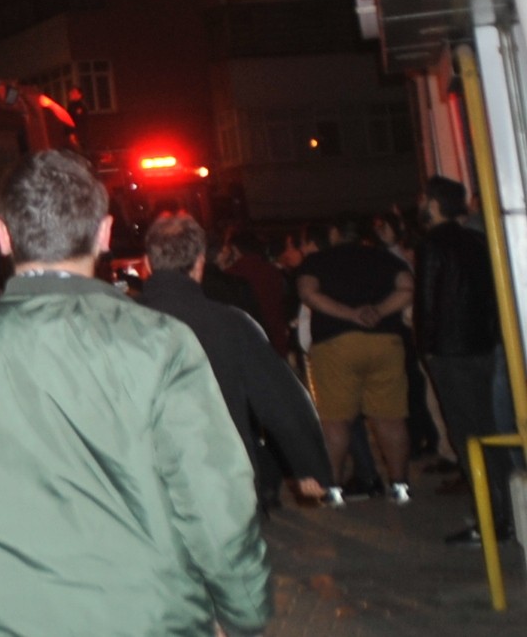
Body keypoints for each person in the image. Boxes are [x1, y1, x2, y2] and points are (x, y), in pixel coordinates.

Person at [0, 151, 269, 637]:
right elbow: (216, 504)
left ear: (1, 236)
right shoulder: (161, 343)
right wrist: (244, 613)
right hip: (151, 620)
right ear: (105, 233)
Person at [140, 213, 332, 510]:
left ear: (148, 263)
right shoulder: (230, 324)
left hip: (143, 482)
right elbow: (280, 399)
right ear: (200, 263)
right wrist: (309, 466)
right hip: (220, 478)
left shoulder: (118, 324)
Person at [415, 176, 513, 545]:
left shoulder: (432, 245)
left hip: (448, 351)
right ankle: (502, 512)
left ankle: (493, 520)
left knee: (467, 434)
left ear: (433, 203)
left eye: (423, 198)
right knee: (487, 429)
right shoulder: (477, 240)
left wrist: (426, 347)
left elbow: (427, 301)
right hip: (482, 347)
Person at [297, 215, 415, 503]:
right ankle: (400, 486)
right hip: (386, 341)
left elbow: (308, 293)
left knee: (336, 420)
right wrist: (378, 311)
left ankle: (333, 489)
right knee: (390, 417)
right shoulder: (385, 258)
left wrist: (349, 315)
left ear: (335, 232)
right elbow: (407, 287)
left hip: (336, 344)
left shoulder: (318, 261)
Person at [219, 227, 292, 357]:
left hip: (250, 346)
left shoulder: (231, 275)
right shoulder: (273, 271)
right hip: (277, 342)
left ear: (234, 249)